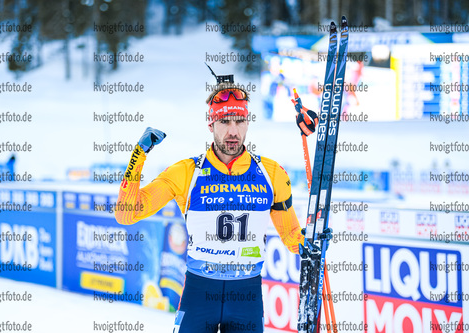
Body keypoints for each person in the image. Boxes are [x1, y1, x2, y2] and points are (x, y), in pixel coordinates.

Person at [115, 72, 330, 333]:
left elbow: (291, 235)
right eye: (224, 121)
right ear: (211, 125)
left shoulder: (272, 173)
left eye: (239, 121)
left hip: (247, 296)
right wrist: (138, 155)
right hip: (199, 293)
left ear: (248, 123)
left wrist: (310, 242)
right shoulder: (186, 172)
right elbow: (127, 215)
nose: (233, 131)